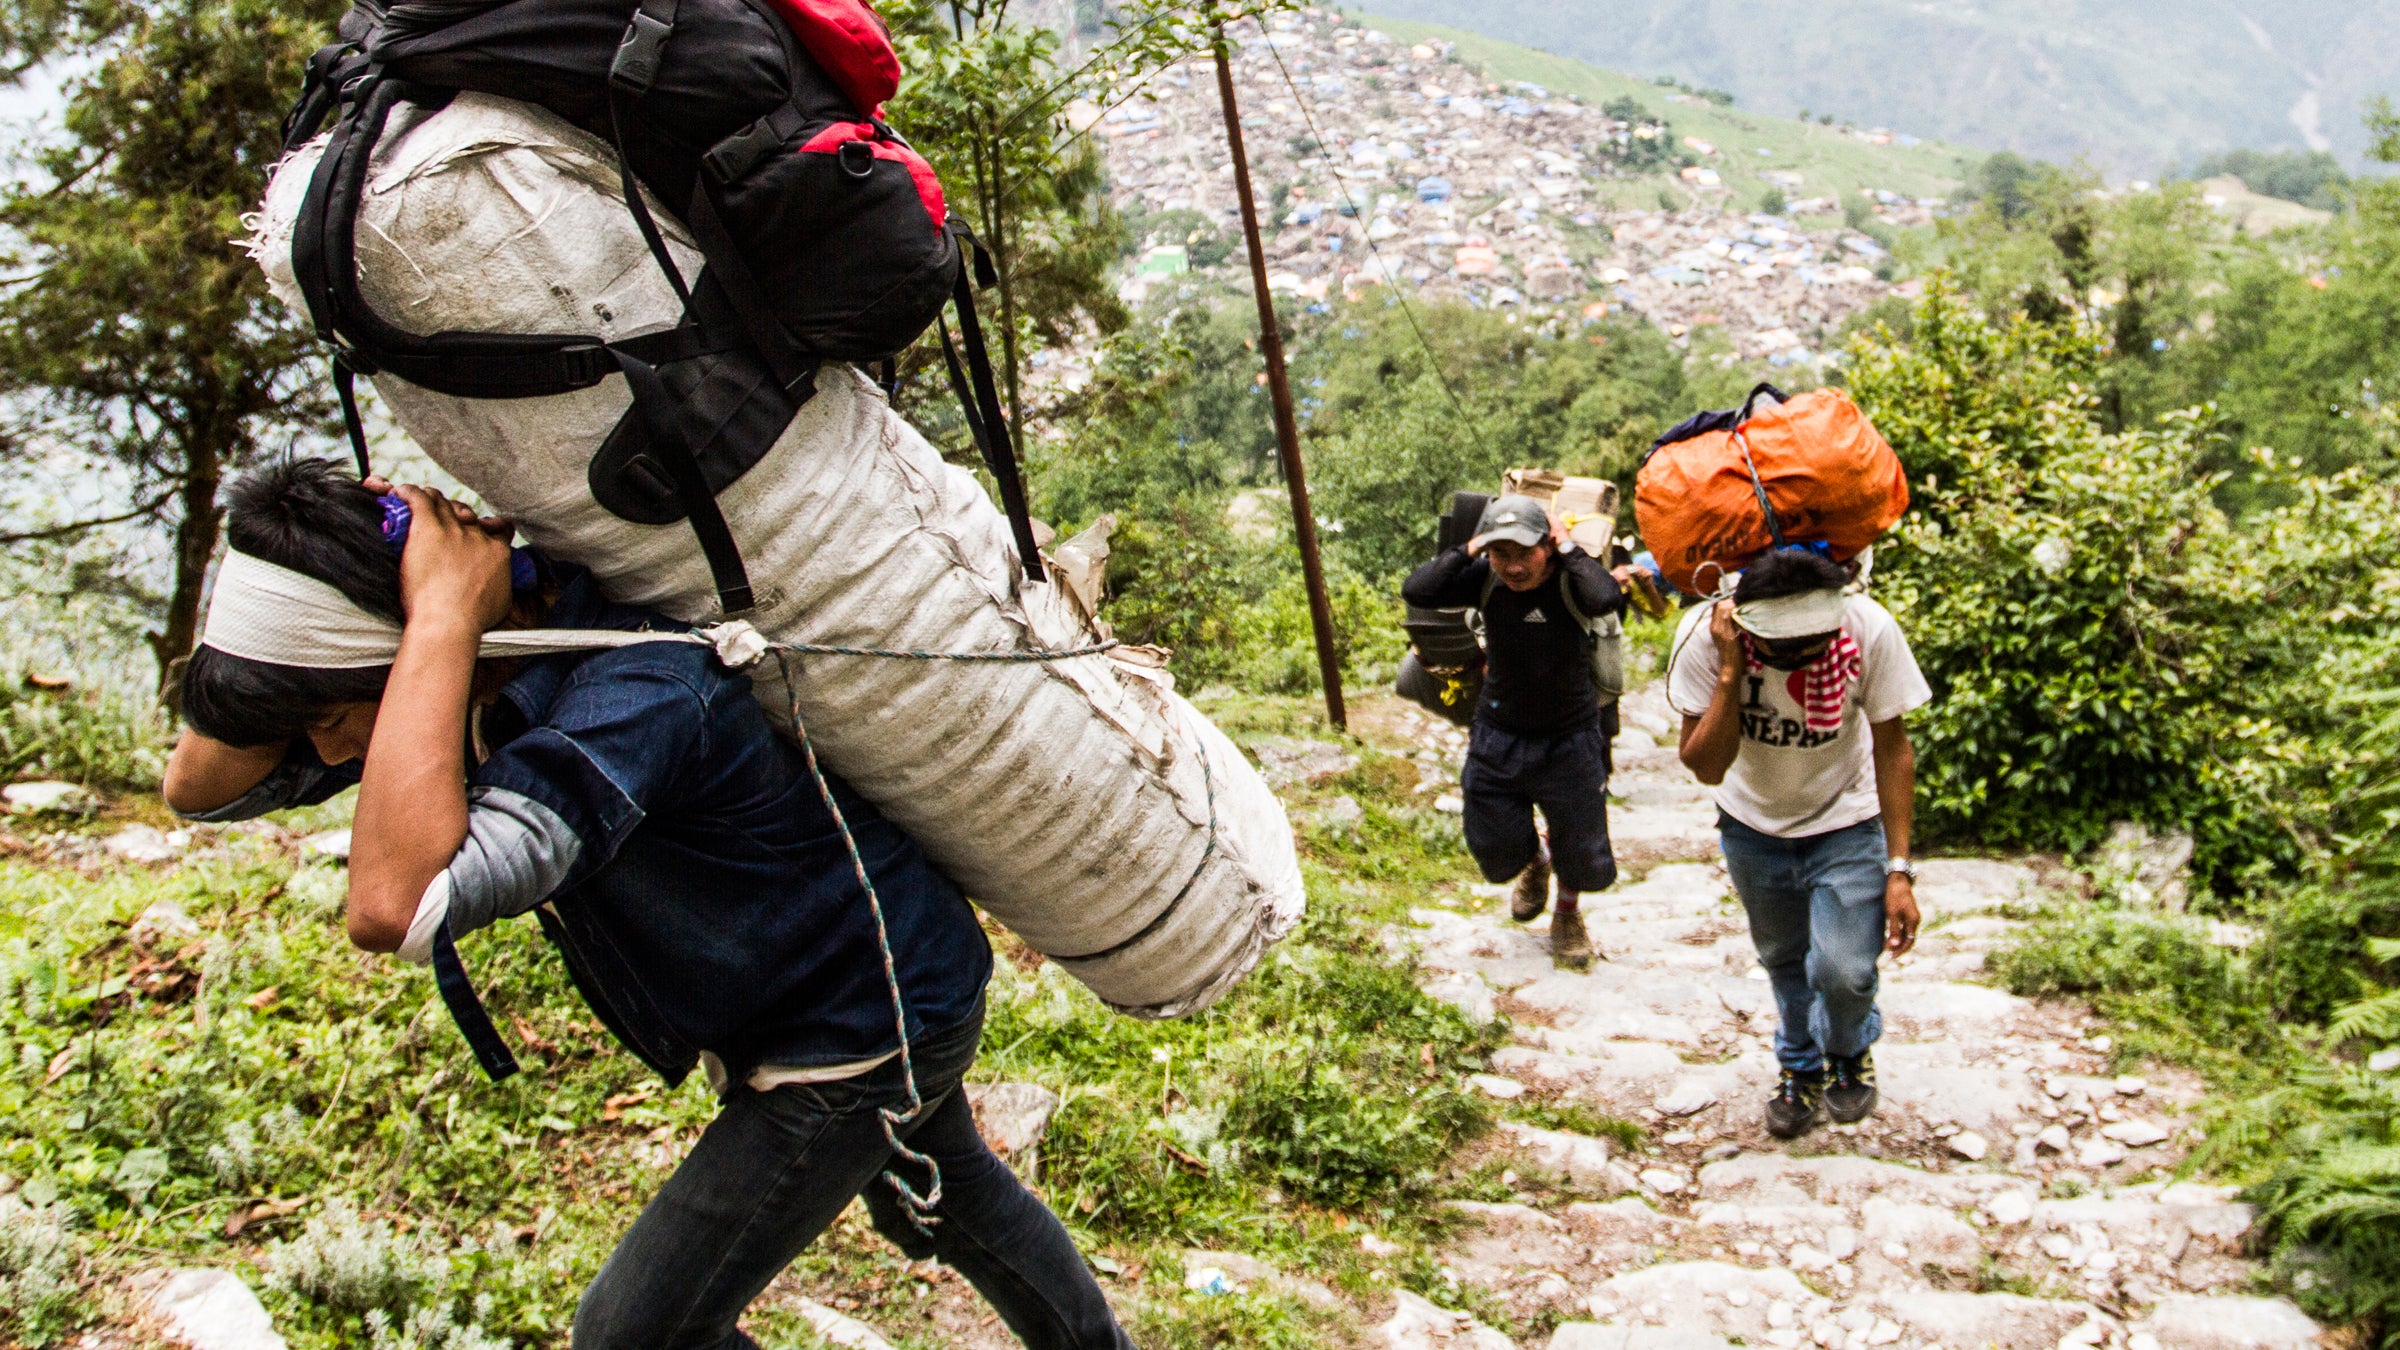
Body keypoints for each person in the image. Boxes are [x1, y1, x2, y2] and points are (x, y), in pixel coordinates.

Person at [162, 459, 1134, 1350]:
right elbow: (199, 785)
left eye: (335, 720)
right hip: (866, 971)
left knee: (633, 1337)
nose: (334, 758)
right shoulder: (463, 678)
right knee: (940, 1195)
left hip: (860, 1021)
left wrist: (442, 623)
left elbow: (394, 905)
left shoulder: (637, 692)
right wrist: (348, 620)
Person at [1665, 546, 1932, 1139]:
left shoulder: (1867, 628)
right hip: (1751, 825)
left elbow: (1893, 746)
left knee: (1844, 970)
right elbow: (1706, 766)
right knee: (1784, 960)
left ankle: (1847, 1048)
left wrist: (1899, 868)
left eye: (1813, 643)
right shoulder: (1703, 637)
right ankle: (1801, 1066)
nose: (1798, 659)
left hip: (1846, 820)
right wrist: (1733, 669)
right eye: (1781, 646)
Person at [1402, 494, 1633, 969]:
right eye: (1500, 554)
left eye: (1524, 552)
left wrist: (1569, 548)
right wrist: (1472, 547)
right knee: (1492, 840)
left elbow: (1606, 597)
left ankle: (1567, 916)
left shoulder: (1572, 578)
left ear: (1546, 546)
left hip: (1569, 735)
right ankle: (1535, 863)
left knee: (1580, 842)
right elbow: (1418, 589)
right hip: (1499, 732)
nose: (1513, 567)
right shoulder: (1484, 578)